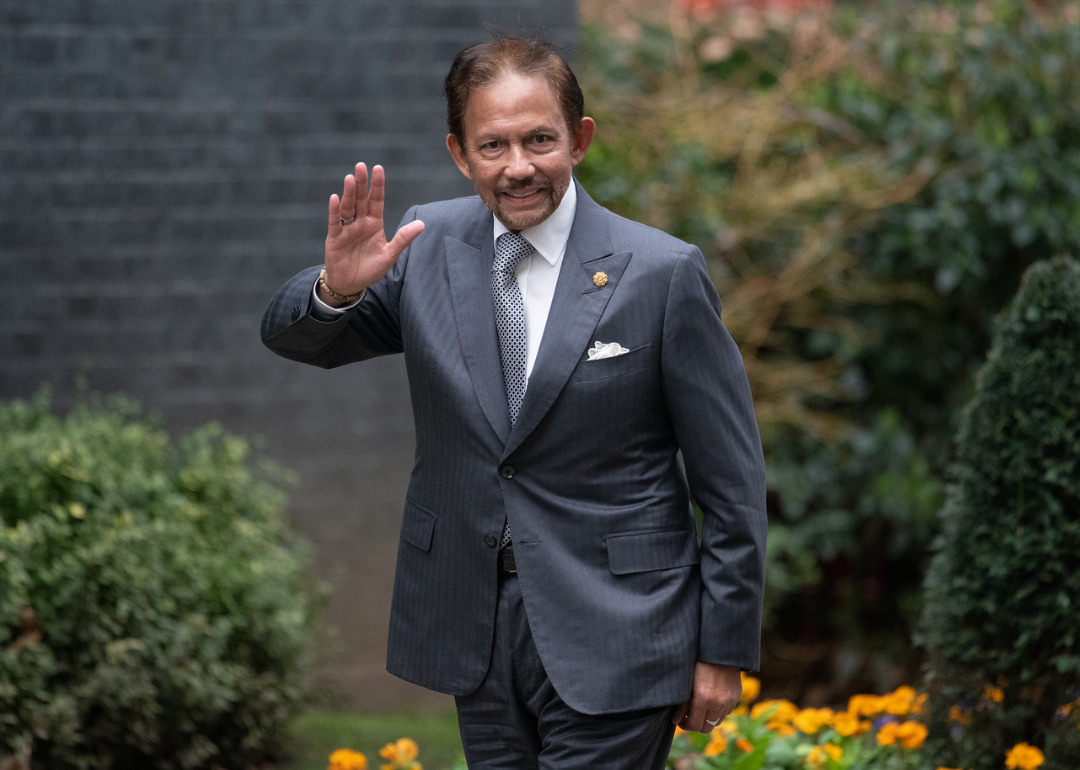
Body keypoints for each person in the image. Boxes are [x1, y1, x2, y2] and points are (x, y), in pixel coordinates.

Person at [262, 37, 767, 770]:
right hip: (477, 628)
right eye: (493, 145)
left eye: (540, 140)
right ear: (460, 154)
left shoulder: (662, 274)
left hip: (622, 628)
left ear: (580, 140)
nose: (519, 166)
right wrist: (339, 288)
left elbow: (732, 484)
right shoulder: (424, 247)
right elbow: (300, 340)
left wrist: (723, 648)